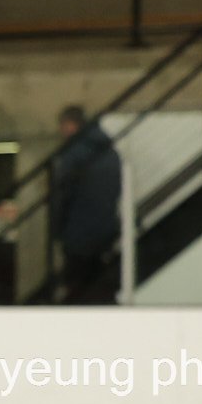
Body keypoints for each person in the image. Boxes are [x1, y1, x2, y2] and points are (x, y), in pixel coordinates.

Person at [48, 104, 122, 305]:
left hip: (78, 233)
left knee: (77, 291)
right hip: (106, 231)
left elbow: (64, 195)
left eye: (62, 126)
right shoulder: (111, 153)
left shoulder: (73, 155)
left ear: (71, 125)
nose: (61, 131)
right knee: (101, 289)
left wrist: (57, 229)